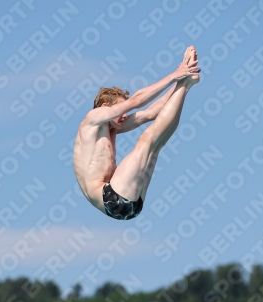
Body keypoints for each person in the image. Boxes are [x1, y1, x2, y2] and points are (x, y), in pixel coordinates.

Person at [73, 46, 200, 220]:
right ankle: (184, 82)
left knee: (156, 145)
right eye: (120, 109)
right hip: (111, 198)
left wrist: (182, 78)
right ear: (105, 108)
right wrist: (176, 74)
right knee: (146, 141)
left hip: (130, 202)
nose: (124, 116)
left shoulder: (112, 128)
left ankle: (185, 86)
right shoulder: (92, 119)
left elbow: (151, 112)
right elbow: (137, 101)